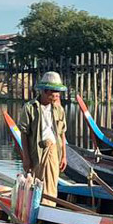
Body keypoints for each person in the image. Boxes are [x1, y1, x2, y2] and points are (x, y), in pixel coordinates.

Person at [19, 70, 68, 205]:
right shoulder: (30, 108)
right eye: (54, 92)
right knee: (36, 183)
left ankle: (49, 207)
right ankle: (37, 209)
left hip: (54, 152)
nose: (57, 95)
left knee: (51, 185)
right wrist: (26, 158)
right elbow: (24, 134)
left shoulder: (59, 109)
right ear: (45, 92)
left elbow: (62, 133)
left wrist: (64, 155)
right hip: (37, 153)